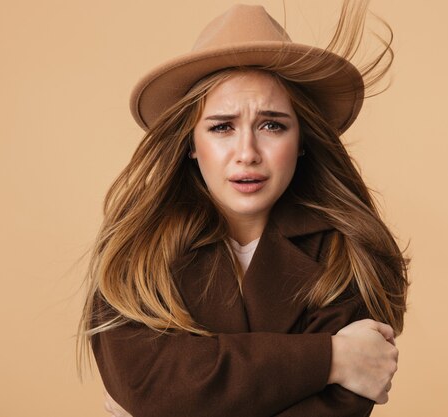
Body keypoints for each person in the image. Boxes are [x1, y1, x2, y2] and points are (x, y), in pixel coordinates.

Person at [78, 2, 409, 416]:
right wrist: (332, 358)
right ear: (191, 144)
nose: (247, 153)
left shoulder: (349, 255)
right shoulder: (134, 253)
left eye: (272, 124)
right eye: (221, 127)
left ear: (302, 139)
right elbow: (146, 384)